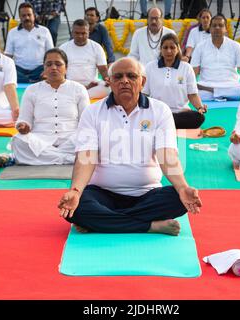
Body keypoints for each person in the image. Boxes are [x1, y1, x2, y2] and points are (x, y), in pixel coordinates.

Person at [57, 57, 202, 236]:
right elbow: (86, 157)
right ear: (109, 82)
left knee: (178, 200)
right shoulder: (93, 112)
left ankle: (102, 222)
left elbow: (168, 155)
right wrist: (76, 191)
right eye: (118, 77)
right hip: (102, 193)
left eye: (131, 76)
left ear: (143, 81)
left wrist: (182, 187)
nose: (125, 81)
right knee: (77, 207)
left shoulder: (160, 110)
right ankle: (150, 226)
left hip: (147, 193)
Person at [11, 49, 90, 165]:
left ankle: (47, 158)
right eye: (49, 64)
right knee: (19, 140)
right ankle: (70, 159)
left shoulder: (78, 89)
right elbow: (24, 119)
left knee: (91, 137)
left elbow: (86, 121)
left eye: (58, 64)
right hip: (41, 140)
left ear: (66, 67)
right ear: (44, 68)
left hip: (71, 140)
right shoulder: (32, 90)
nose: (53, 67)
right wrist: (23, 126)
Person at [143, 33, 206, 129]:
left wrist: (200, 108)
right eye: (165, 47)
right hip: (158, 112)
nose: (169, 51)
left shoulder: (186, 67)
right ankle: (167, 122)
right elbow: (144, 94)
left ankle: (165, 123)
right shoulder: (150, 67)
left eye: (172, 47)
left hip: (180, 113)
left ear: (178, 49)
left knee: (199, 118)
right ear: (160, 49)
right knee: (147, 117)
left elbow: (192, 94)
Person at [191, 14, 240, 101]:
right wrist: (190, 87)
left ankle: (217, 93)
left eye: (220, 25)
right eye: (214, 25)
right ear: (210, 28)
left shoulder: (235, 46)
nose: (217, 28)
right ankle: (223, 94)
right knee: (194, 93)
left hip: (230, 85)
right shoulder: (200, 46)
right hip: (207, 85)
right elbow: (195, 71)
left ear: (225, 28)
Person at [59, 19, 109, 99]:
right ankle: (82, 95)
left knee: (108, 89)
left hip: (92, 85)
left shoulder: (96, 47)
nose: (80, 36)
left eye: (83, 33)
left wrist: (107, 79)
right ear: (72, 33)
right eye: (77, 33)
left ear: (88, 33)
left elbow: (103, 70)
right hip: (70, 85)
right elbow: (60, 71)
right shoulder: (63, 48)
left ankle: (78, 96)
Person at [5, 2, 53, 84]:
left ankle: (29, 81)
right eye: (23, 15)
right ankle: (31, 81)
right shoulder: (12, 33)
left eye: (29, 15)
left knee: (49, 74)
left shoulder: (44, 31)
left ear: (34, 16)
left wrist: (47, 69)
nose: (26, 18)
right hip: (19, 71)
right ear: (19, 17)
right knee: (10, 72)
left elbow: (51, 53)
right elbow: (8, 55)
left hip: (39, 70)